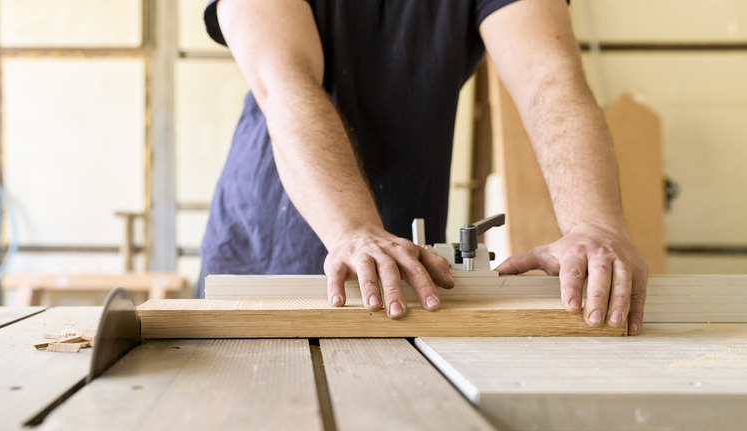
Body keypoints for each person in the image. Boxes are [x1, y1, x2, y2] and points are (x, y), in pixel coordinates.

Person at [196, 0, 648, 335]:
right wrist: (352, 229)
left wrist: (595, 226)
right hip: (271, 242)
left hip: (404, 254)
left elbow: (549, 79)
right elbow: (286, 82)